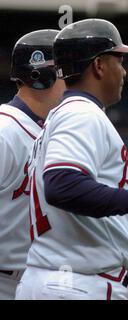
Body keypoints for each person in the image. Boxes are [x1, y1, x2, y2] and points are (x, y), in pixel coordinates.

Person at [15, 19, 128, 300]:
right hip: (77, 285)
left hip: (63, 280)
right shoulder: (81, 114)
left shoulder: (66, 115)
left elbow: (92, 221)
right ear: (99, 65)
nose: (124, 71)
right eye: (119, 60)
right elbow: (63, 186)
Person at [0, 29, 65, 300]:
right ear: (43, 77)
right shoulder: (5, 131)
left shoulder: (55, 132)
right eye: (69, 73)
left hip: (36, 282)